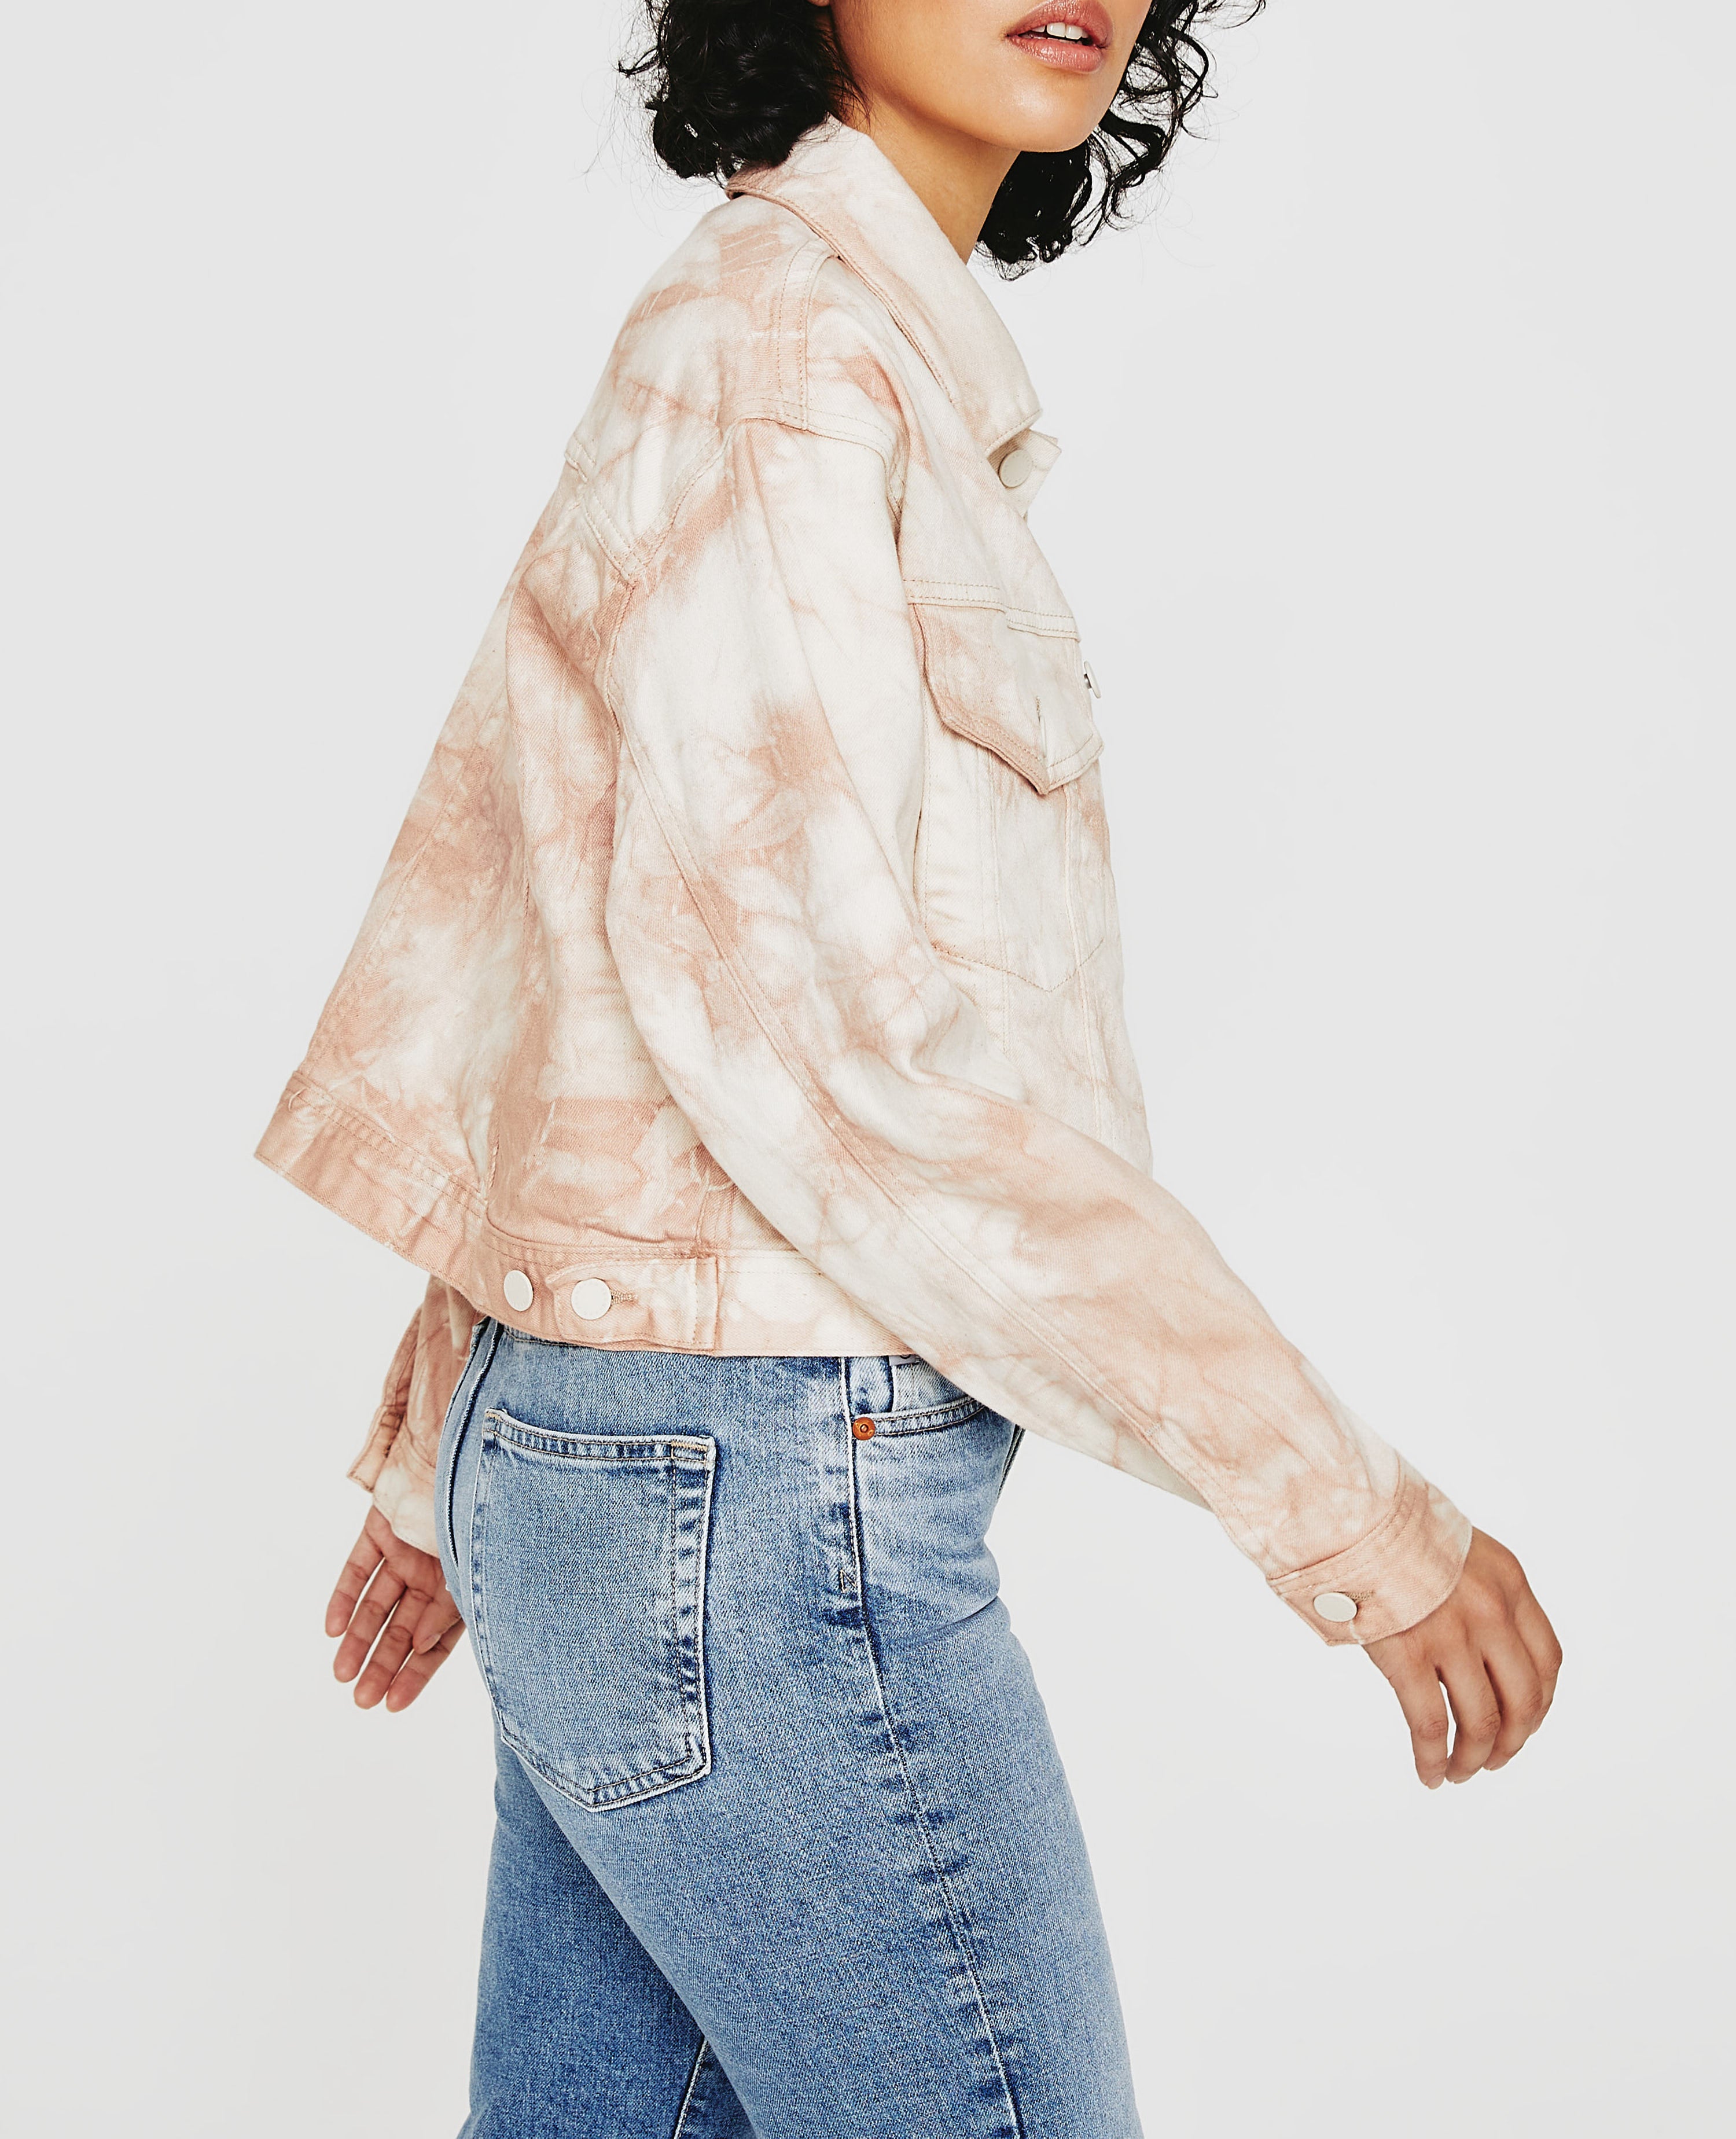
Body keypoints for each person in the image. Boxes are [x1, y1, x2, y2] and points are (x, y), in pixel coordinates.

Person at [258, 4, 1563, 2133]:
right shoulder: (783, 350)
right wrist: (1352, 1515)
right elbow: (834, 1049)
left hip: (642, 1476)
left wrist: (458, 1453)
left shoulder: (816, 343)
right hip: (746, 1494)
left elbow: (571, 936)